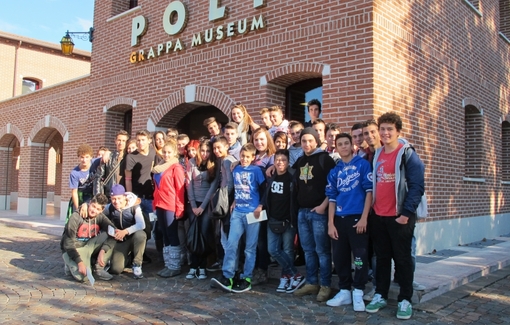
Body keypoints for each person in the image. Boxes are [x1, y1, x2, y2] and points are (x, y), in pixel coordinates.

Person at [365, 112, 425, 320]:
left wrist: (406, 213)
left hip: (400, 217)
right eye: (382, 129)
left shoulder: (407, 153)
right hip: (379, 216)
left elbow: (417, 186)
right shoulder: (378, 154)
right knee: (382, 259)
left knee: (402, 259)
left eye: (390, 129)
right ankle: (380, 295)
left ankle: (405, 299)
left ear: (398, 131)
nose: (385, 132)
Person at [325, 133, 373, 311]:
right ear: (336, 148)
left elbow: (369, 192)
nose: (344, 146)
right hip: (339, 219)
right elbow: (332, 198)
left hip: (357, 218)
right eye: (340, 144)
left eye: (347, 143)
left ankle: (358, 290)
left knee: (360, 257)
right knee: (340, 257)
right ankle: (344, 290)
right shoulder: (335, 171)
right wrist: (330, 223)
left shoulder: (362, 165)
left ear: (352, 145)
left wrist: (364, 218)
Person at [211, 143, 265, 293]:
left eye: (248, 157)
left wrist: (260, 205)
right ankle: (228, 275)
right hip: (238, 212)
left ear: (253, 157)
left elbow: (263, 189)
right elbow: (237, 188)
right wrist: (234, 200)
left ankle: (246, 277)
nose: (244, 159)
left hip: (252, 213)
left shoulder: (257, 171)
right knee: (231, 244)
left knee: (250, 248)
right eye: (242, 156)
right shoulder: (236, 169)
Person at [292, 127, 336, 302]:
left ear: (316, 141)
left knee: (322, 251)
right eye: (304, 141)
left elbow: (333, 186)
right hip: (302, 212)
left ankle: (325, 285)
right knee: (308, 251)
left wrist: (323, 206)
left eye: (310, 140)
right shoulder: (300, 160)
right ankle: (311, 282)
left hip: (319, 212)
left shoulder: (325, 159)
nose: (307, 144)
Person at [265, 149, 305, 293]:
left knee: (288, 250)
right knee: (273, 250)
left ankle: (286, 277)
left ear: (288, 162)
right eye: (277, 160)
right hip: (273, 219)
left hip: (288, 220)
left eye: (283, 160)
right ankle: (295, 274)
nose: (280, 162)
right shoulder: (271, 176)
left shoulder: (293, 177)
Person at [61, 194, 116, 282]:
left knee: (110, 233)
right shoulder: (75, 217)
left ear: (102, 210)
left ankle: (99, 269)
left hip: (89, 246)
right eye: (93, 206)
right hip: (75, 248)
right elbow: (68, 243)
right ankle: (69, 262)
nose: (94, 210)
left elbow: (114, 231)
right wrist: (79, 262)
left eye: (98, 209)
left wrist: (103, 251)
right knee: (84, 278)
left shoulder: (100, 217)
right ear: (90, 203)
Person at [186, 138, 219, 279]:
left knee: (204, 233)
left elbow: (213, 186)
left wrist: (203, 207)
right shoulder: (192, 162)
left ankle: (202, 266)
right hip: (194, 203)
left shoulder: (214, 165)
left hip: (207, 204)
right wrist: (193, 205)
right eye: (203, 151)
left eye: (208, 151)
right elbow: (189, 184)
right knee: (194, 233)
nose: (205, 154)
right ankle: (193, 266)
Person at [153, 140, 186, 277]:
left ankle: (175, 266)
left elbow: (180, 189)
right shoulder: (160, 166)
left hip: (171, 204)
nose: (166, 155)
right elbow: (156, 186)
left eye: (169, 152)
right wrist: (154, 204)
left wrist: (180, 208)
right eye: (164, 152)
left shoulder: (176, 167)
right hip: (160, 204)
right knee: (165, 234)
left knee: (172, 234)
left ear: (174, 153)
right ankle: (168, 264)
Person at [100, 184, 147, 279]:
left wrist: (125, 231)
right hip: (120, 240)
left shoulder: (134, 206)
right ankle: (127, 258)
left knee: (141, 235)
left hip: (133, 237)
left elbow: (141, 224)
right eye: (113, 199)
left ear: (125, 197)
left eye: (119, 198)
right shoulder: (109, 208)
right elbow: (97, 212)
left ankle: (137, 264)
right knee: (116, 269)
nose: (116, 201)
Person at [209, 136, 236, 272]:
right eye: (214, 148)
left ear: (226, 147)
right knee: (222, 234)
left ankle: (229, 266)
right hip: (225, 199)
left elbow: (230, 183)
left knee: (226, 233)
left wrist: (222, 197)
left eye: (219, 147)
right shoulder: (222, 160)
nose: (216, 150)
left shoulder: (227, 161)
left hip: (227, 201)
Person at [67, 144, 101, 221]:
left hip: (92, 195)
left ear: (91, 157)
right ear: (78, 157)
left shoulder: (95, 162)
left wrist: (107, 154)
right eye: (82, 157)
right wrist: (77, 209)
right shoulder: (74, 173)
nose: (84, 160)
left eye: (87, 157)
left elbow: (106, 155)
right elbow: (74, 192)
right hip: (80, 196)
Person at [94, 130, 129, 198]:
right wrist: (98, 197)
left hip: (124, 195)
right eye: (119, 140)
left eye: (123, 141)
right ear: (115, 141)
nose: (121, 143)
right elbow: (98, 177)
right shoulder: (108, 157)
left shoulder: (129, 158)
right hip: (110, 195)